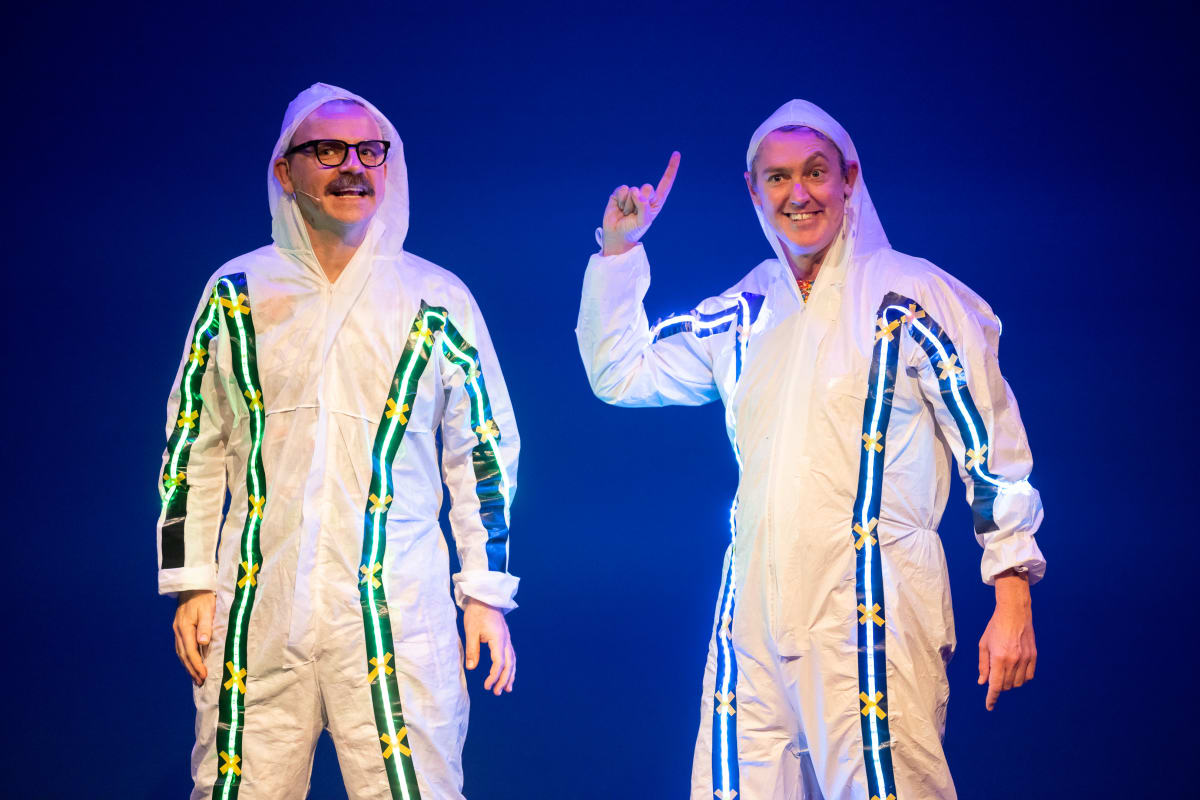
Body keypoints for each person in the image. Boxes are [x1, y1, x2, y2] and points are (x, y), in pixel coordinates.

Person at [576, 99, 1044, 799]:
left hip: (873, 609)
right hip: (754, 619)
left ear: (849, 178)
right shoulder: (748, 310)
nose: (798, 194)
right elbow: (620, 372)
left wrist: (1012, 590)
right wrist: (619, 254)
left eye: (816, 173)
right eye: (779, 177)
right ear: (754, 190)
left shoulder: (908, 296)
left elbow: (991, 445)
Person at [156, 83, 519, 800]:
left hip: (396, 611)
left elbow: (481, 448)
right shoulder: (237, 291)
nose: (352, 165)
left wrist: (484, 592)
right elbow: (193, 439)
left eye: (368, 150)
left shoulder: (436, 298)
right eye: (328, 150)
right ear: (285, 169)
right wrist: (192, 580)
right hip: (257, 605)